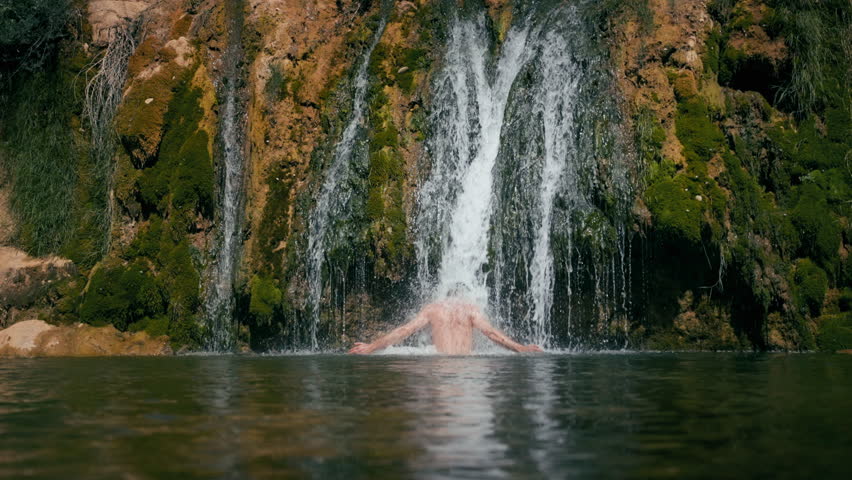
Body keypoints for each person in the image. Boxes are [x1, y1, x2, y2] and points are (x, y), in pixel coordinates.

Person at [348, 286, 543, 355]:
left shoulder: (433, 309)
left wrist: (371, 347)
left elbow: (404, 331)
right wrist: (521, 348)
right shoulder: (470, 310)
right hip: (467, 370)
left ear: (446, 295)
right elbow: (492, 334)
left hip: (439, 367)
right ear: (464, 296)